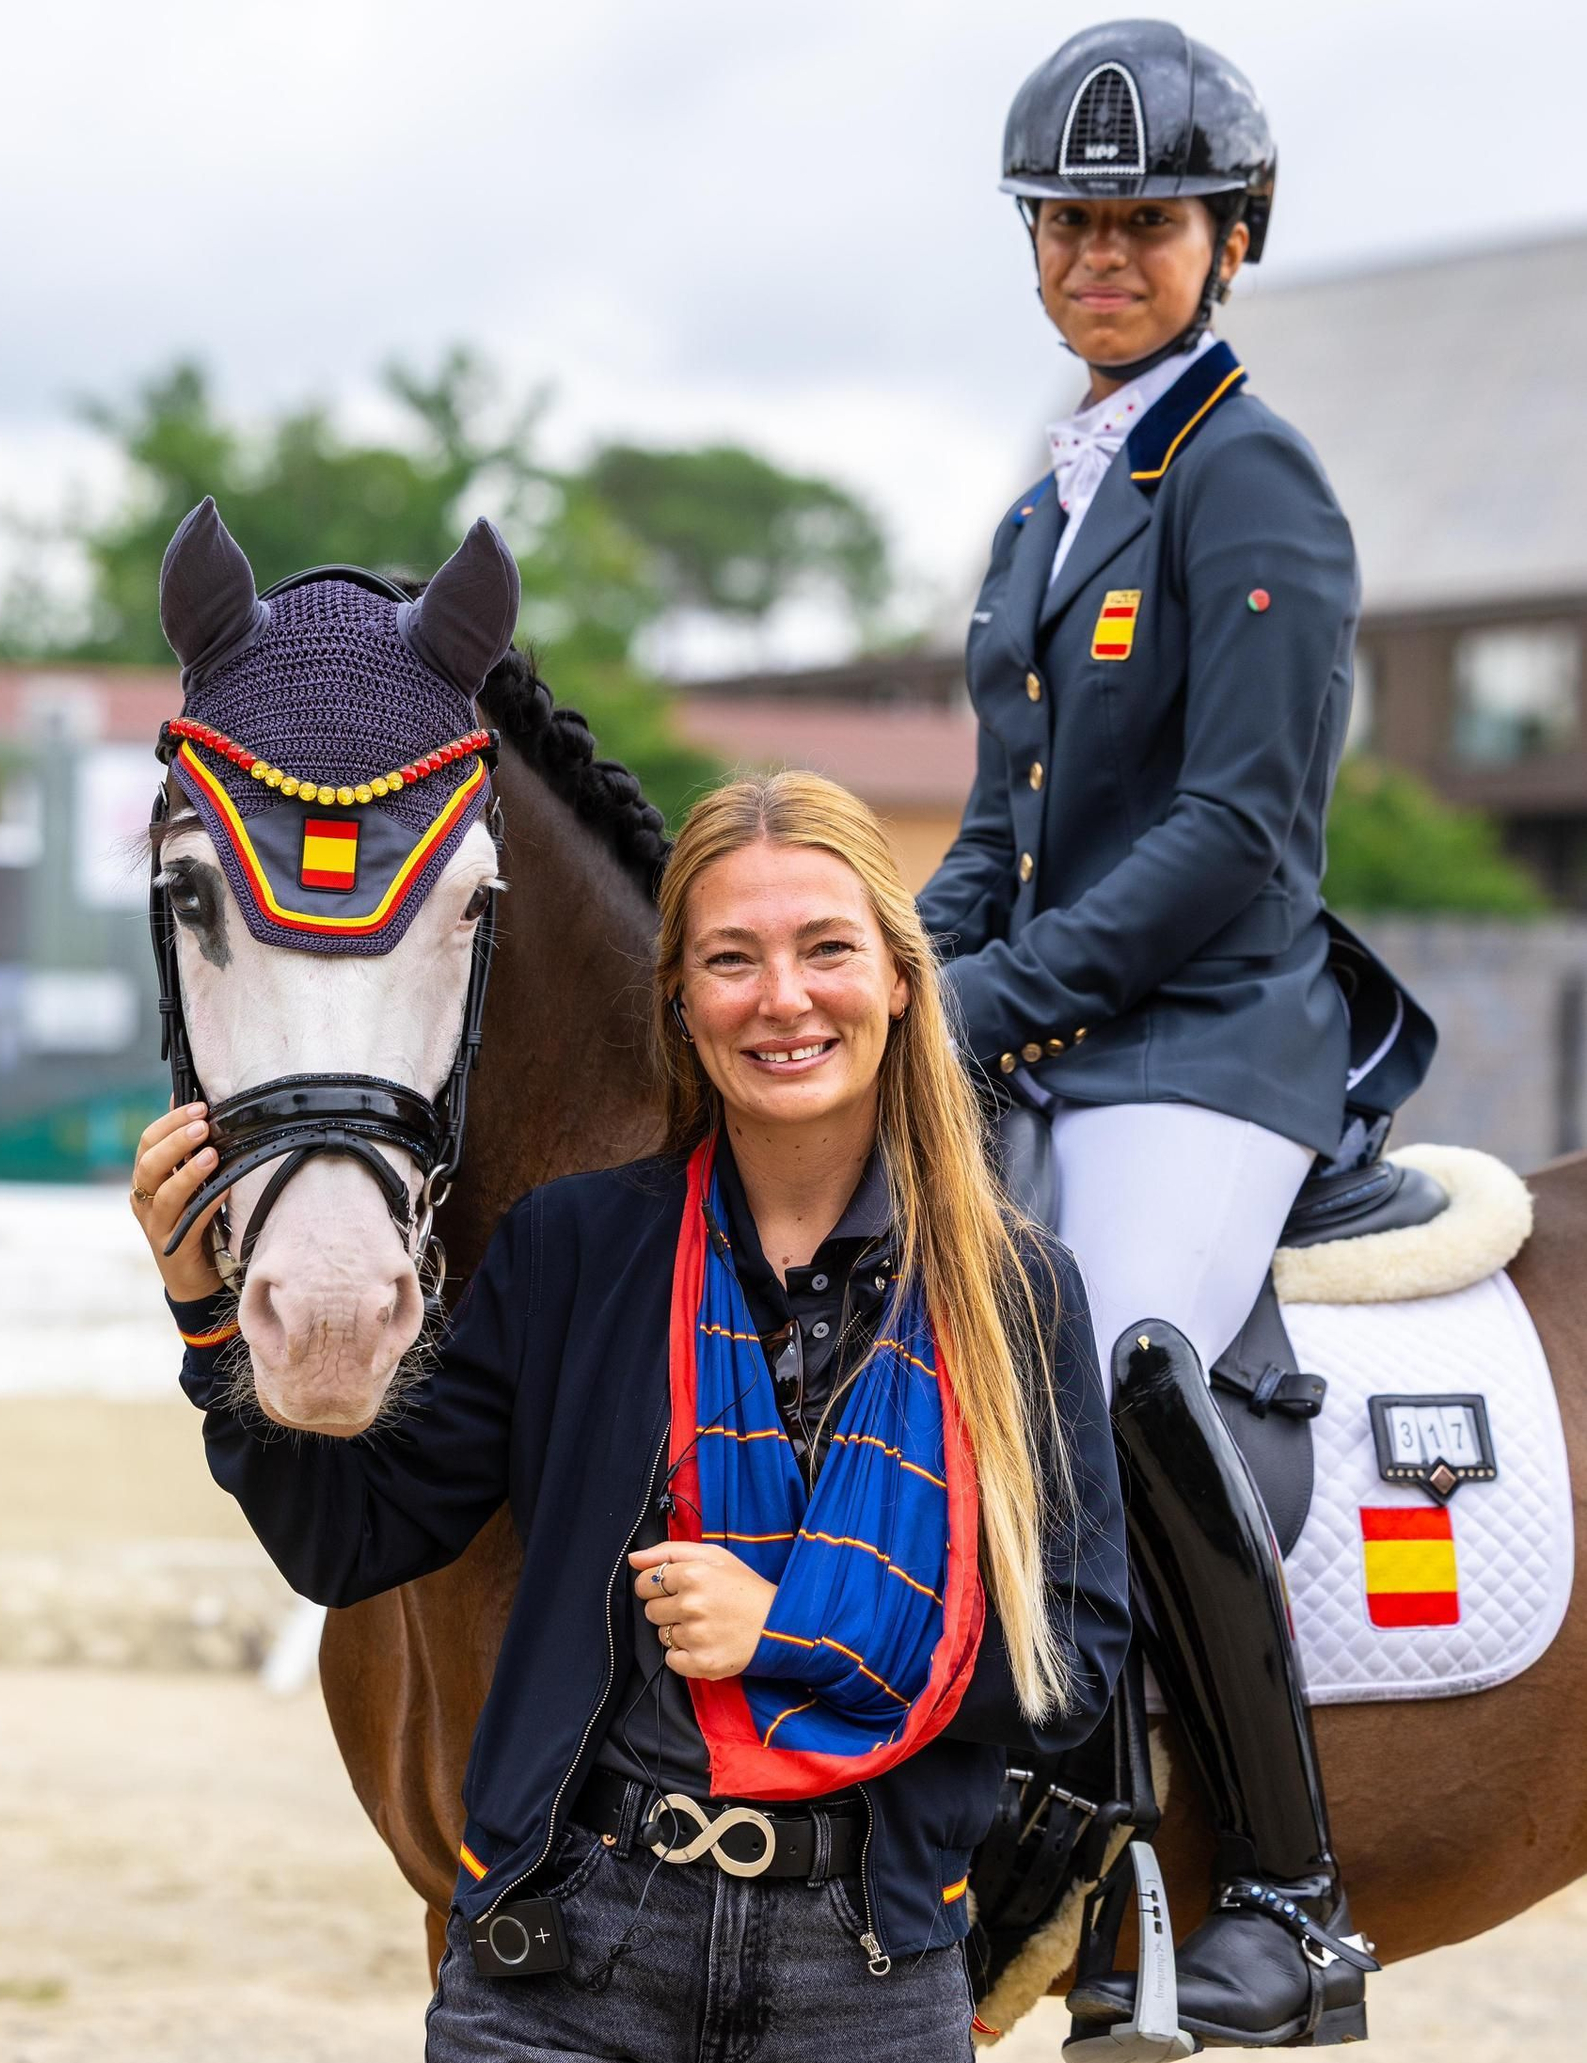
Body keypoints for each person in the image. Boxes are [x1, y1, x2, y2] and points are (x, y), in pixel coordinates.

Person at [133, 769, 1129, 2062]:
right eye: (731, 958)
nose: (782, 997)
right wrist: (208, 1318)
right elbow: (349, 1541)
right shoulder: (573, 1250)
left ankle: (1268, 1885)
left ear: (896, 976)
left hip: (869, 1975)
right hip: (569, 1956)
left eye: (826, 948)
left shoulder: (1015, 1292)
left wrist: (793, 1627)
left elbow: (1078, 1667)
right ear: (680, 999)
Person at [917, 20, 1435, 2049]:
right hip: (1054, 1040)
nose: (1097, 260)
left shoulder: (1248, 477)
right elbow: (990, 843)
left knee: (1119, 1345)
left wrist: (986, 1005)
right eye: (1067, 226)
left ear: (1230, 240)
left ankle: (1288, 1902)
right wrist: (886, 989)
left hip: (1214, 1046)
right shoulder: (1046, 508)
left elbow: (1235, 839)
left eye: (1142, 226)